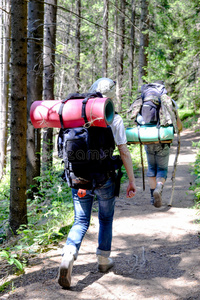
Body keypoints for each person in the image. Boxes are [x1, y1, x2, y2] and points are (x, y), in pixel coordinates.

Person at [58, 78, 137, 288]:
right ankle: (103, 261)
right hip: (104, 178)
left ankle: (68, 254)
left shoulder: (74, 114)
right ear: (111, 96)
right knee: (105, 218)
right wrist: (131, 180)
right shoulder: (115, 119)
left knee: (81, 221)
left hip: (78, 177)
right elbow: (123, 151)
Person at [139, 80, 183, 208]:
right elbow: (178, 126)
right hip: (163, 140)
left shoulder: (143, 100)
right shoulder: (168, 101)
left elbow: (138, 121)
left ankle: (153, 197)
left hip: (148, 140)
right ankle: (159, 188)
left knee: (151, 169)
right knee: (162, 169)